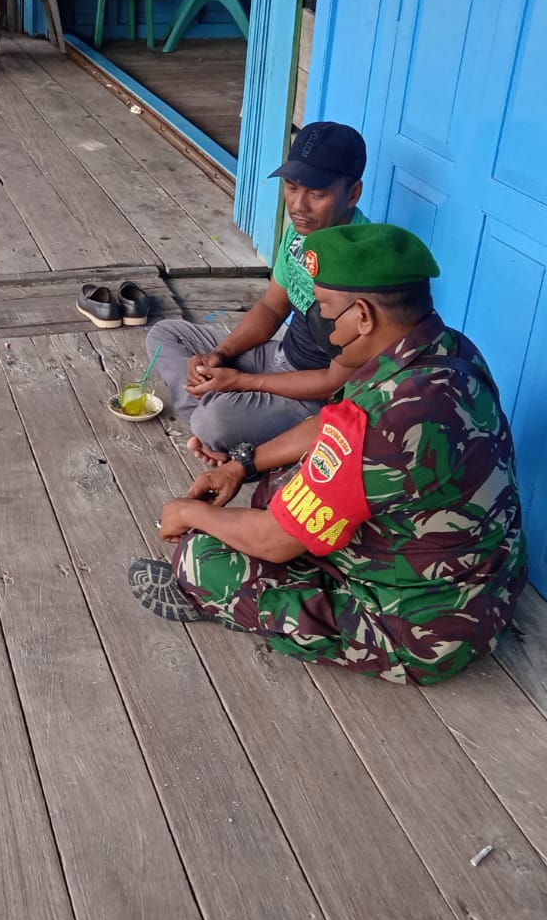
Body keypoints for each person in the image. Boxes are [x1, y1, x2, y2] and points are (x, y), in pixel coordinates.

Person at [132, 223, 527, 686]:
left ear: (362, 315)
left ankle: (243, 608)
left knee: (201, 556)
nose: (316, 317)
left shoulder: (385, 423)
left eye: (322, 308)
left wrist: (187, 513)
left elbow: (273, 540)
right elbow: (333, 421)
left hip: (422, 632)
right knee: (281, 485)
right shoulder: (448, 350)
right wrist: (245, 463)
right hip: (487, 585)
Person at [146, 121, 370, 460]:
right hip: (278, 356)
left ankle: (221, 432)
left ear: (352, 194)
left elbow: (330, 382)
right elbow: (271, 307)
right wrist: (220, 355)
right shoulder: (301, 231)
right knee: (165, 334)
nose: (299, 206)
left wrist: (240, 382)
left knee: (213, 421)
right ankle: (225, 430)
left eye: (317, 194)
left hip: (311, 395)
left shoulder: (361, 264)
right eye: (292, 188)